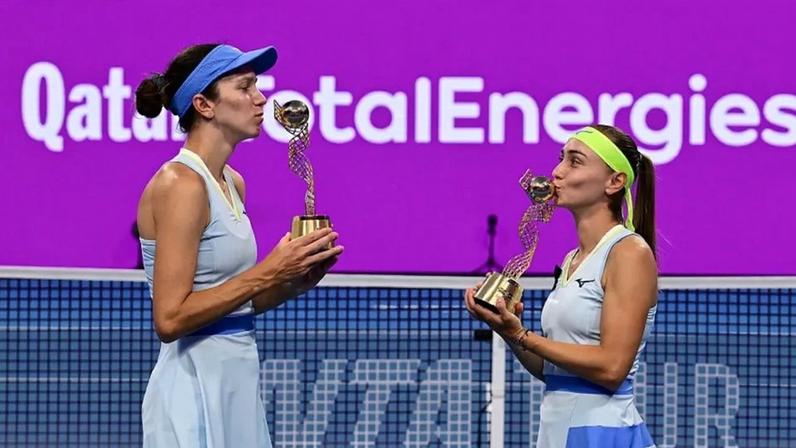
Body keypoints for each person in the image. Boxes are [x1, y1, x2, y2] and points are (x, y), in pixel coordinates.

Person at [134, 43, 344, 448]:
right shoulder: (180, 185)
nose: (261, 98)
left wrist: (292, 281)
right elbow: (170, 319)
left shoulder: (232, 181)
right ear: (204, 105)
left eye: (257, 86)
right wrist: (268, 271)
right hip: (192, 386)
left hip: (238, 380)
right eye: (245, 87)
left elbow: (234, 299)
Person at [464, 124, 658, 447]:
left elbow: (612, 368)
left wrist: (522, 336)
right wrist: (507, 331)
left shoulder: (629, 253)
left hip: (604, 435)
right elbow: (552, 371)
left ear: (615, 182)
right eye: (561, 159)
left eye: (575, 161)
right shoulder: (571, 260)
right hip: (557, 435)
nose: (557, 172)